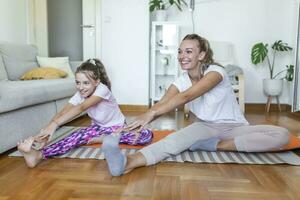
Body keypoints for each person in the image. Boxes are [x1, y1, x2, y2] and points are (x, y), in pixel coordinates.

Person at [102, 34, 290, 176]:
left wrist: (151, 114)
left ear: (202, 55)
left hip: (235, 127)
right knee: (172, 143)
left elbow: (187, 96)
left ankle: (217, 146)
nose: (182, 56)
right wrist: (141, 122)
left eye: (189, 51)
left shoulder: (216, 72)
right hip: (204, 127)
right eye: (180, 51)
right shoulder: (181, 79)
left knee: (281, 135)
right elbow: (165, 103)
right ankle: (127, 163)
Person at [17, 58, 153, 168]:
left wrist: (55, 124)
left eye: (86, 83)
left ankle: (102, 139)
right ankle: (38, 155)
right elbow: (64, 111)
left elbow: (82, 107)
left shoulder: (102, 89)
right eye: (78, 83)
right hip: (97, 128)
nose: (81, 87)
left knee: (145, 136)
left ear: (96, 82)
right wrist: (47, 131)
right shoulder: (80, 93)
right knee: (76, 136)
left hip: (117, 127)